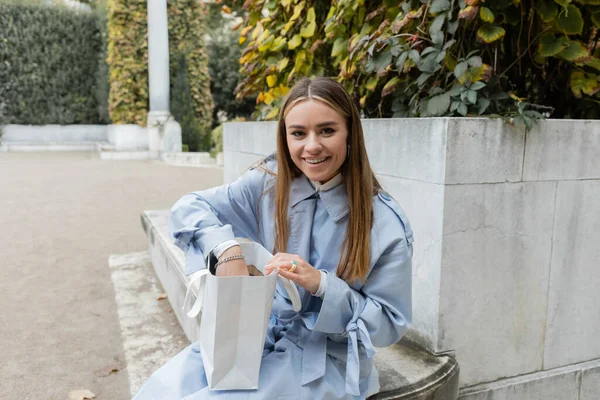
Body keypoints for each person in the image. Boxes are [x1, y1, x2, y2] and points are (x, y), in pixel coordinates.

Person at [133, 77, 413, 400]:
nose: (311, 146)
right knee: (159, 391)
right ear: (285, 137)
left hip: (324, 365)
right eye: (298, 133)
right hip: (250, 342)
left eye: (326, 130)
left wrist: (322, 285)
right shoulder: (268, 186)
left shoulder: (385, 223)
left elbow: (391, 323)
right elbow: (190, 207)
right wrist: (226, 249)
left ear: (350, 132)